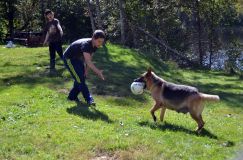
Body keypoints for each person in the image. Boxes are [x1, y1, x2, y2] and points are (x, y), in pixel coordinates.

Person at [63, 30, 105, 106]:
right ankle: (89, 99)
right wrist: (98, 72)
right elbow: (88, 61)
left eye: (102, 42)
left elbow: (89, 59)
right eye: (99, 41)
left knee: (80, 78)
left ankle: (71, 97)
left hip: (77, 59)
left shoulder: (95, 45)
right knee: (80, 79)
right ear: (93, 38)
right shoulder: (86, 45)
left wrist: (86, 70)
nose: (100, 44)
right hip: (69, 59)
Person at [43, 9, 63, 73]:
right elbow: (48, 33)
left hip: (57, 40)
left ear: (53, 14)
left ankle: (68, 64)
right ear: (46, 16)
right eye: (48, 15)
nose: (50, 16)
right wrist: (45, 41)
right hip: (51, 42)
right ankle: (52, 67)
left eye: (51, 14)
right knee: (52, 55)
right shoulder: (47, 23)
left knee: (60, 53)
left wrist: (61, 30)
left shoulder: (56, 21)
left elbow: (58, 26)